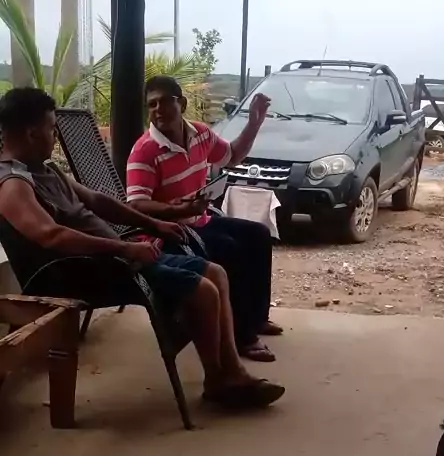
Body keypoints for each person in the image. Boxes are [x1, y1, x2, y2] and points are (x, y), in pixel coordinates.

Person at [0, 87, 285, 410]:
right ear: (31, 132)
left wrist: (154, 225)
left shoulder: (46, 169)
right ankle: (220, 379)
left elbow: (97, 201)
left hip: (111, 259)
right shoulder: (14, 184)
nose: (55, 137)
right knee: (203, 289)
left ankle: (229, 372)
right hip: (85, 271)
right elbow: (51, 236)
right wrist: (124, 248)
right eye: (52, 128)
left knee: (215, 272)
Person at [126, 75, 283, 363]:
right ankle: (243, 336)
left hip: (200, 220)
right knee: (229, 249)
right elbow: (136, 204)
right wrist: (178, 210)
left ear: (182, 104)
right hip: (169, 232)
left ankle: (256, 317)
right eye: (152, 104)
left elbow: (232, 156)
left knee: (259, 234)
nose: (158, 110)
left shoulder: (200, 134)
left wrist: (254, 123)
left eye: (165, 102)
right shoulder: (145, 150)